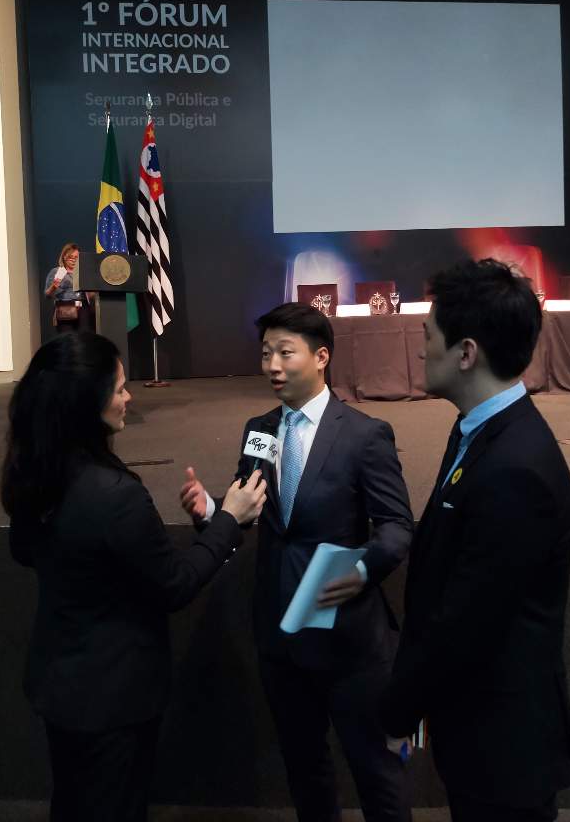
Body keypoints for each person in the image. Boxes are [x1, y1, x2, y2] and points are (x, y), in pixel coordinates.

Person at [0, 332, 266, 822]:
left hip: (60, 685)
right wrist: (229, 518)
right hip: (113, 698)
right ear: (87, 402)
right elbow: (175, 584)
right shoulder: (116, 495)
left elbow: (26, 551)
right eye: (119, 388)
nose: (129, 398)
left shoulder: (36, 470)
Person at [180, 303, 414, 822]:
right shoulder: (259, 429)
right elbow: (248, 507)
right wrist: (211, 513)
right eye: (266, 354)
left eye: (286, 353)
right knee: (304, 769)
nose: (272, 366)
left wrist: (361, 571)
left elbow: (397, 527)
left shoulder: (364, 434)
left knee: (377, 771)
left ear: (321, 356)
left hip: (346, 635)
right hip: (280, 633)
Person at [379, 259, 570, 822]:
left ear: (466, 353)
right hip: (476, 731)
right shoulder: (478, 430)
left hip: (503, 749)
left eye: (428, 337)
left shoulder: (515, 468)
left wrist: (398, 711)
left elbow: (465, 621)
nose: (420, 351)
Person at [44, 242, 95, 333]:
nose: (74, 260)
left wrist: (90, 290)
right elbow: (47, 295)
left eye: (76, 257)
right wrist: (54, 286)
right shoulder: (56, 271)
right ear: (64, 257)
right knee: (67, 337)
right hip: (65, 309)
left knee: (84, 336)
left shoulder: (83, 272)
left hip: (83, 309)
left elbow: (91, 295)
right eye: (71, 257)